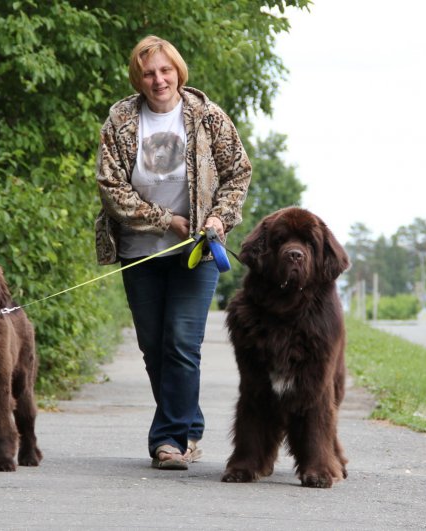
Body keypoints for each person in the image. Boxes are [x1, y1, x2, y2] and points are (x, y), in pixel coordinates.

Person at [94, 35, 252, 470]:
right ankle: (189, 424)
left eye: (165, 70)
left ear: (178, 71)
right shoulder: (121, 120)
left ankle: (168, 440)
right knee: (154, 346)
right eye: (149, 72)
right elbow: (110, 187)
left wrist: (219, 218)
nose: (158, 79)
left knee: (182, 342)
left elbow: (238, 172)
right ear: (138, 78)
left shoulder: (207, 116)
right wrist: (167, 220)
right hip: (140, 250)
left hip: (197, 251)